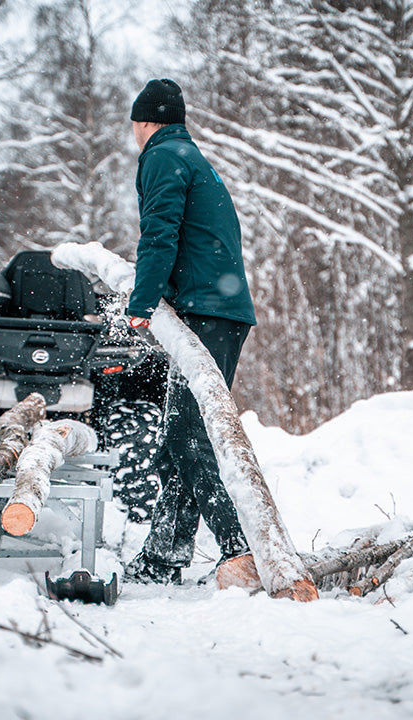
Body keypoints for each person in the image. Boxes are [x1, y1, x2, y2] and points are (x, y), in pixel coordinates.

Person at [121, 78, 259, 589]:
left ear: (144, 123)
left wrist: (140, 304)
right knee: (179, 440)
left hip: (209, 312)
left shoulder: (163, 156)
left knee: (187, 434)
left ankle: (240, 549)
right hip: (217, 309)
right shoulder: (190, 155)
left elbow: (160, 232)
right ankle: (164, 556)